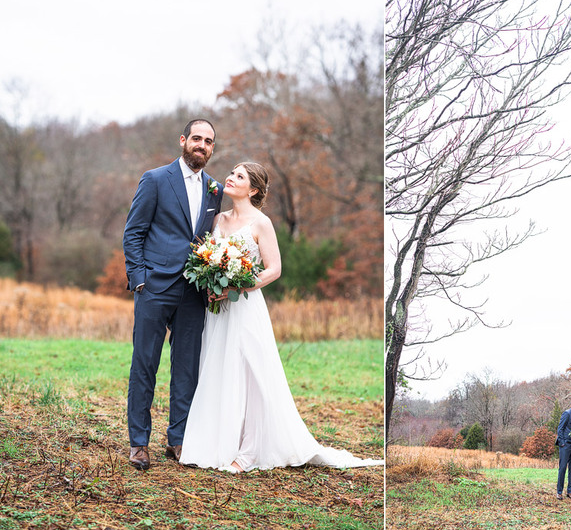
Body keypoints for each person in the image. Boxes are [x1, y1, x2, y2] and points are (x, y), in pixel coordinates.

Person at [179, 162, 384, 472]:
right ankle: (216, 444)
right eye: (232, 173)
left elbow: (274, 269)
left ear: (254, 190)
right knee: (218, 367)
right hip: (218, 310)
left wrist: (237, 284)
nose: (230, 178)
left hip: (245, 306)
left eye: (239, 177)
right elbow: (207, 257)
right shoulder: (218, 219)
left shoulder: (262, 223)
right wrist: (212, 280)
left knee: (251, 373)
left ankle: (248, 452)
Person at [123, 119, 224, 470]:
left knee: (186, 370)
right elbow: (133, 232)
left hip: (194, 293)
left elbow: (210, 240)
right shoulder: (155, 179)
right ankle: (139, 443)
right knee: (144, 365)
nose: (202, 145)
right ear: (183, 141)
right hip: (154, 288)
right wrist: (139, 279)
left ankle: (178, 440)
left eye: (208, 141)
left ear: (212, 148)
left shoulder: (215, 189)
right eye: (197, 138)